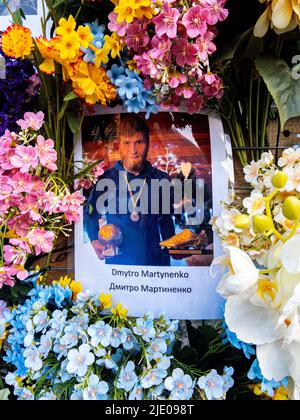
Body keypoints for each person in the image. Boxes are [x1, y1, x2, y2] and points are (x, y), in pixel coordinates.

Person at [85, 115, 176, 266]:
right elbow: (90, 212)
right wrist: (94, 240)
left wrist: (174, 248)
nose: (133, 150)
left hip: (155, 263)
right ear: (119, 145)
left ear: (147, 143)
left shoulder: (162, 179)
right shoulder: (105, 179)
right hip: (119, 264)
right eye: (127, 143)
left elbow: (166, 221)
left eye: (138, 142)